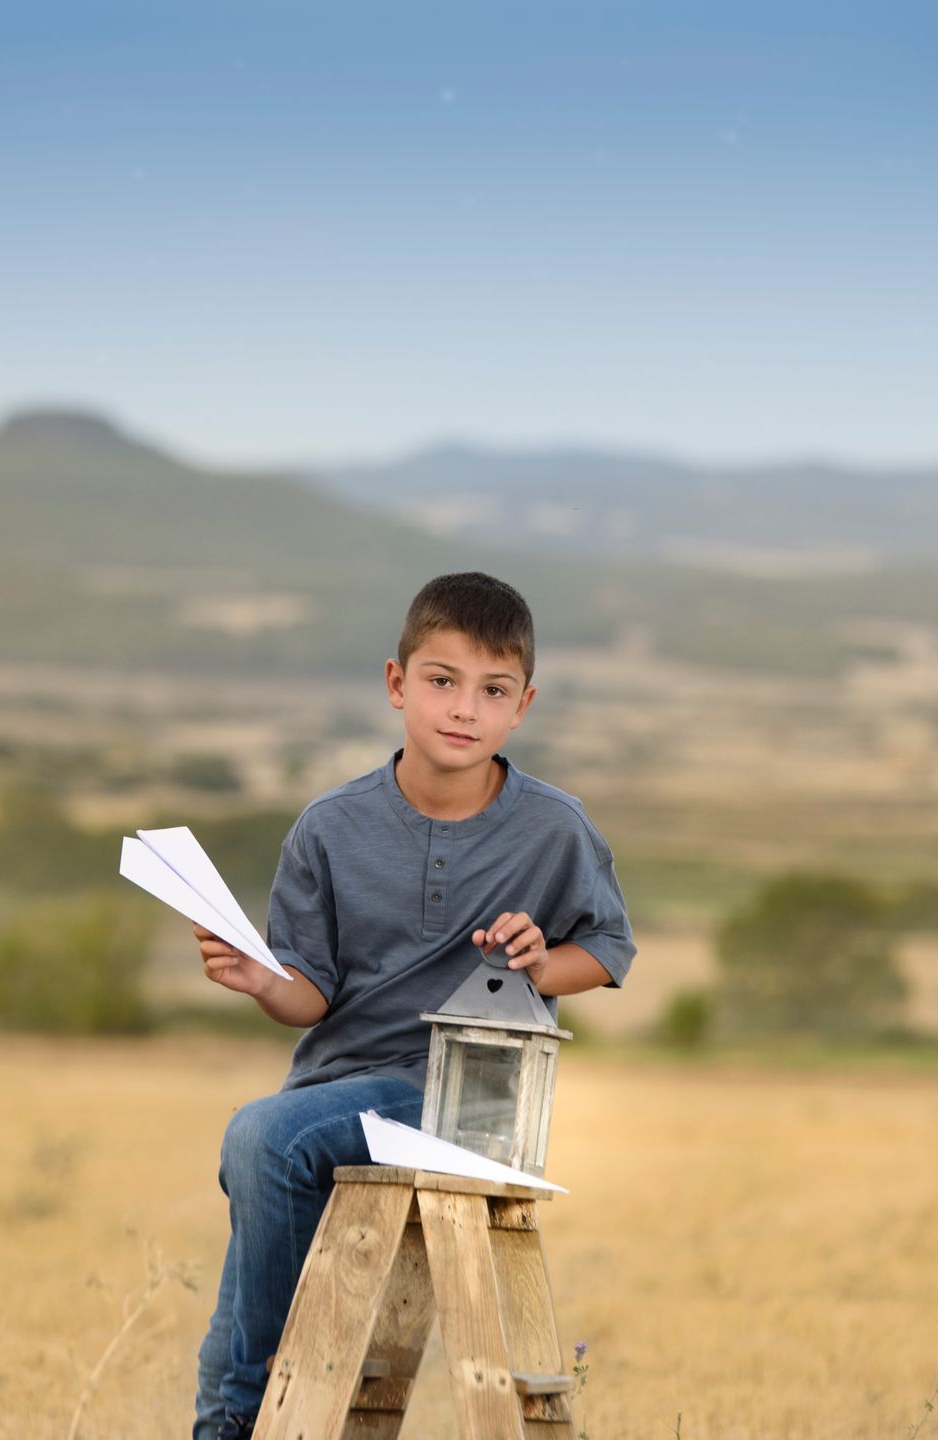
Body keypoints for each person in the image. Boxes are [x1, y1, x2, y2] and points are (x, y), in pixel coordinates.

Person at [189, 571, 635, 1440]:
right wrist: (261, 980)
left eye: (493, 690)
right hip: (339, 1089)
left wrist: (543, 963)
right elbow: (310, 993)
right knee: (265, 1158)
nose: (464, 709)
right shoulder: (329, 827)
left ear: (522, 706)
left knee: (260, 1137)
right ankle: (242, 1410)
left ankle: (252, 1409)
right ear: (397, 684)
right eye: (442, 681)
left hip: (472, 1100)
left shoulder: (556, 829)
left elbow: (610, 949)